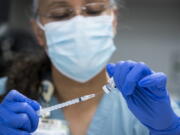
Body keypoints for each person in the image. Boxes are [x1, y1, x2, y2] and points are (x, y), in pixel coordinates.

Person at [0, 0, 180, 135]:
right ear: (39, 31)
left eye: (94, 11)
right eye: (61, 14)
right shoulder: (5, 96)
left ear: (113, 21)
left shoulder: (148, 104)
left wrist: (168, 129)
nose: (79, 24)